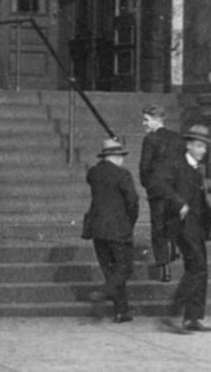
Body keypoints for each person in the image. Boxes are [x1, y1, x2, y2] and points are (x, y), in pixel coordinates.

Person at [148, 122, 211, 333]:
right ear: (189, 145)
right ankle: (173, 312)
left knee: (200, 269)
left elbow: (202, 203)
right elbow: (158, 184)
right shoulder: (175, 164)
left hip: (197, 225)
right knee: (197, 266)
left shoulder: (196, 171)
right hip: (181, 224)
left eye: (204, 147)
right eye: (199, 146)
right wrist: (178, 202)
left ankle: (192, 318)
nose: (202, 151)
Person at [84, 135, 139, 323]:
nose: (122, 160)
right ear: (115, 157)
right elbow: (133, 201)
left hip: (97, 228)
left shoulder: (93, 173)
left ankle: (121, 311)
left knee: (110, 270)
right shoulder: (123, 175)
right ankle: (103, 292)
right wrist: (129, 222)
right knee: (124, 268)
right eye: (121, 156)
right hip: (118, 228)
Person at [137, 103, 182, 282]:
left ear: (157, 120)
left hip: (157, 190)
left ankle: (165, 268)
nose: (144, 123)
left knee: (158, 227)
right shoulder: (177, 138)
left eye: (146, 120)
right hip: (175, 189)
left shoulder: (150, 139)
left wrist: (147, 184)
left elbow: (144, 167)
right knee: (171, 220)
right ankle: (174, 247)